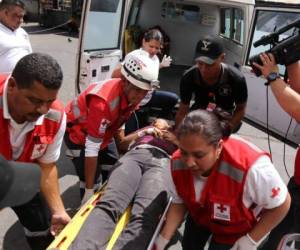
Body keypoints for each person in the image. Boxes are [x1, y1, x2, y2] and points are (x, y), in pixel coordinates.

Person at [154, 109, 291, 250]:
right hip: (200, 216)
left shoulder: (252, 168)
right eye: (184, 152)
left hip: (234, 229)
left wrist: (251, 240)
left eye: (199, 155)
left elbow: (281, 204)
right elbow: (179, 201)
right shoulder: (176, 163)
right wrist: (164, 237)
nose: (189, 163)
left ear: (218, 147)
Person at [64, 51, 160, 206]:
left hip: (103, 133)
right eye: (138, 90)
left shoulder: (132, 95)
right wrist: (89, 190)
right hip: (79, 137)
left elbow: (119, 136)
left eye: (145, 91)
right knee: (92, 183)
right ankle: (86, 204)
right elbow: (91, 148)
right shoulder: (103, 102)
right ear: (124, 81)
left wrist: (147, 130)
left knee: (114, 169)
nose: (141, 96)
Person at [69, 119, 178, 250]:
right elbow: (123, 144)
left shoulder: (177, 135)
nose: (157, 123)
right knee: (110, 203)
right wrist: (144, 132)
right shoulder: (146, 130)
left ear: (169, 125)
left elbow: (189, 156)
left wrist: (175, 140)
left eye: (160, 122)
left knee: (146, 214)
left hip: (163, 160)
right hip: (134, 155)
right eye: (154, 122)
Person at [0, 53, 70, 249]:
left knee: (42, 223)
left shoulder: (54, 116)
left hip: (22, 178)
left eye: (49, 101)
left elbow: (47, 166)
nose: (42, 110)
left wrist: (59, 210)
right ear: (12, 85)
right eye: (35, 100)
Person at [252, 54, 300, 249]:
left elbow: (297, 108)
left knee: (284, 241)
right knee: (279, 236)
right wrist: (292, 60)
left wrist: (273, 77)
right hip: (297, 185)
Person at [112, 28, 179, 134]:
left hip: (148, 96)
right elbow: (115, 75)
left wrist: (160, 66)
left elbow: (148, 75)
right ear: (144, 42)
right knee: (130, 133)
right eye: (151, 46)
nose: (153, 50)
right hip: (134, 100)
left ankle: (158, 122)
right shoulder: (135, 57)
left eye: (157, 48)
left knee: (173, 99)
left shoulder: (155, 59)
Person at [175, 36, 248, 132]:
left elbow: (241, 109)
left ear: (222, 58)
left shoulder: (237, 79)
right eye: (200, 63)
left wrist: (228, 128)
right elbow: (183, 110)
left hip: (224, 116)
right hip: (199, 113)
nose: (204, 69)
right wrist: (180, 135)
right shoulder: (188, 77)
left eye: (210, 64)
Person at [0, 0, 32, 73]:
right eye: (18, 16)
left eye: (22, 16)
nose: (21, 20)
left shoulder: (22, 32)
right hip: (4, 82)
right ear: (5, 13)